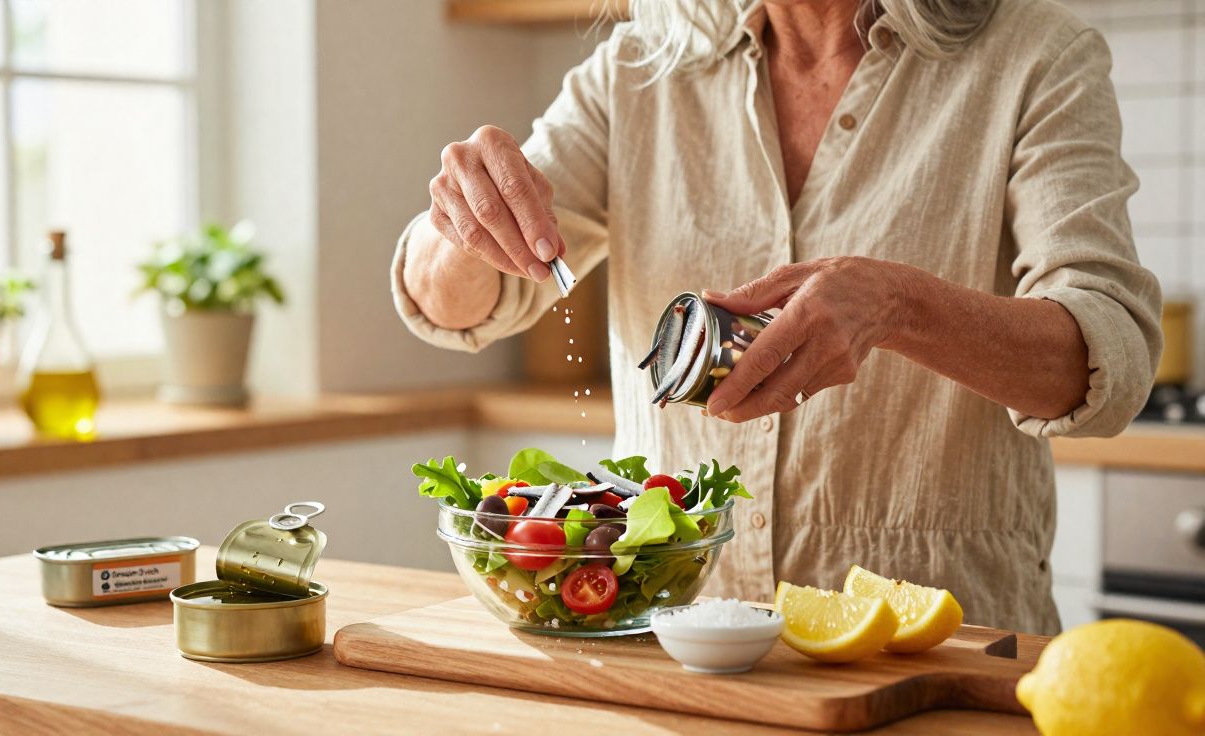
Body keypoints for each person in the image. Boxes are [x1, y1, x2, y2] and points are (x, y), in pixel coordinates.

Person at [389, 0, 1162, 634]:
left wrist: (898, 306)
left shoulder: (1038, 57)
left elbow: (1106, 356)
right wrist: (461, 221)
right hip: (682, 645)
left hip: (935, 649)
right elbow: (453, 303)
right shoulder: (635, 71)